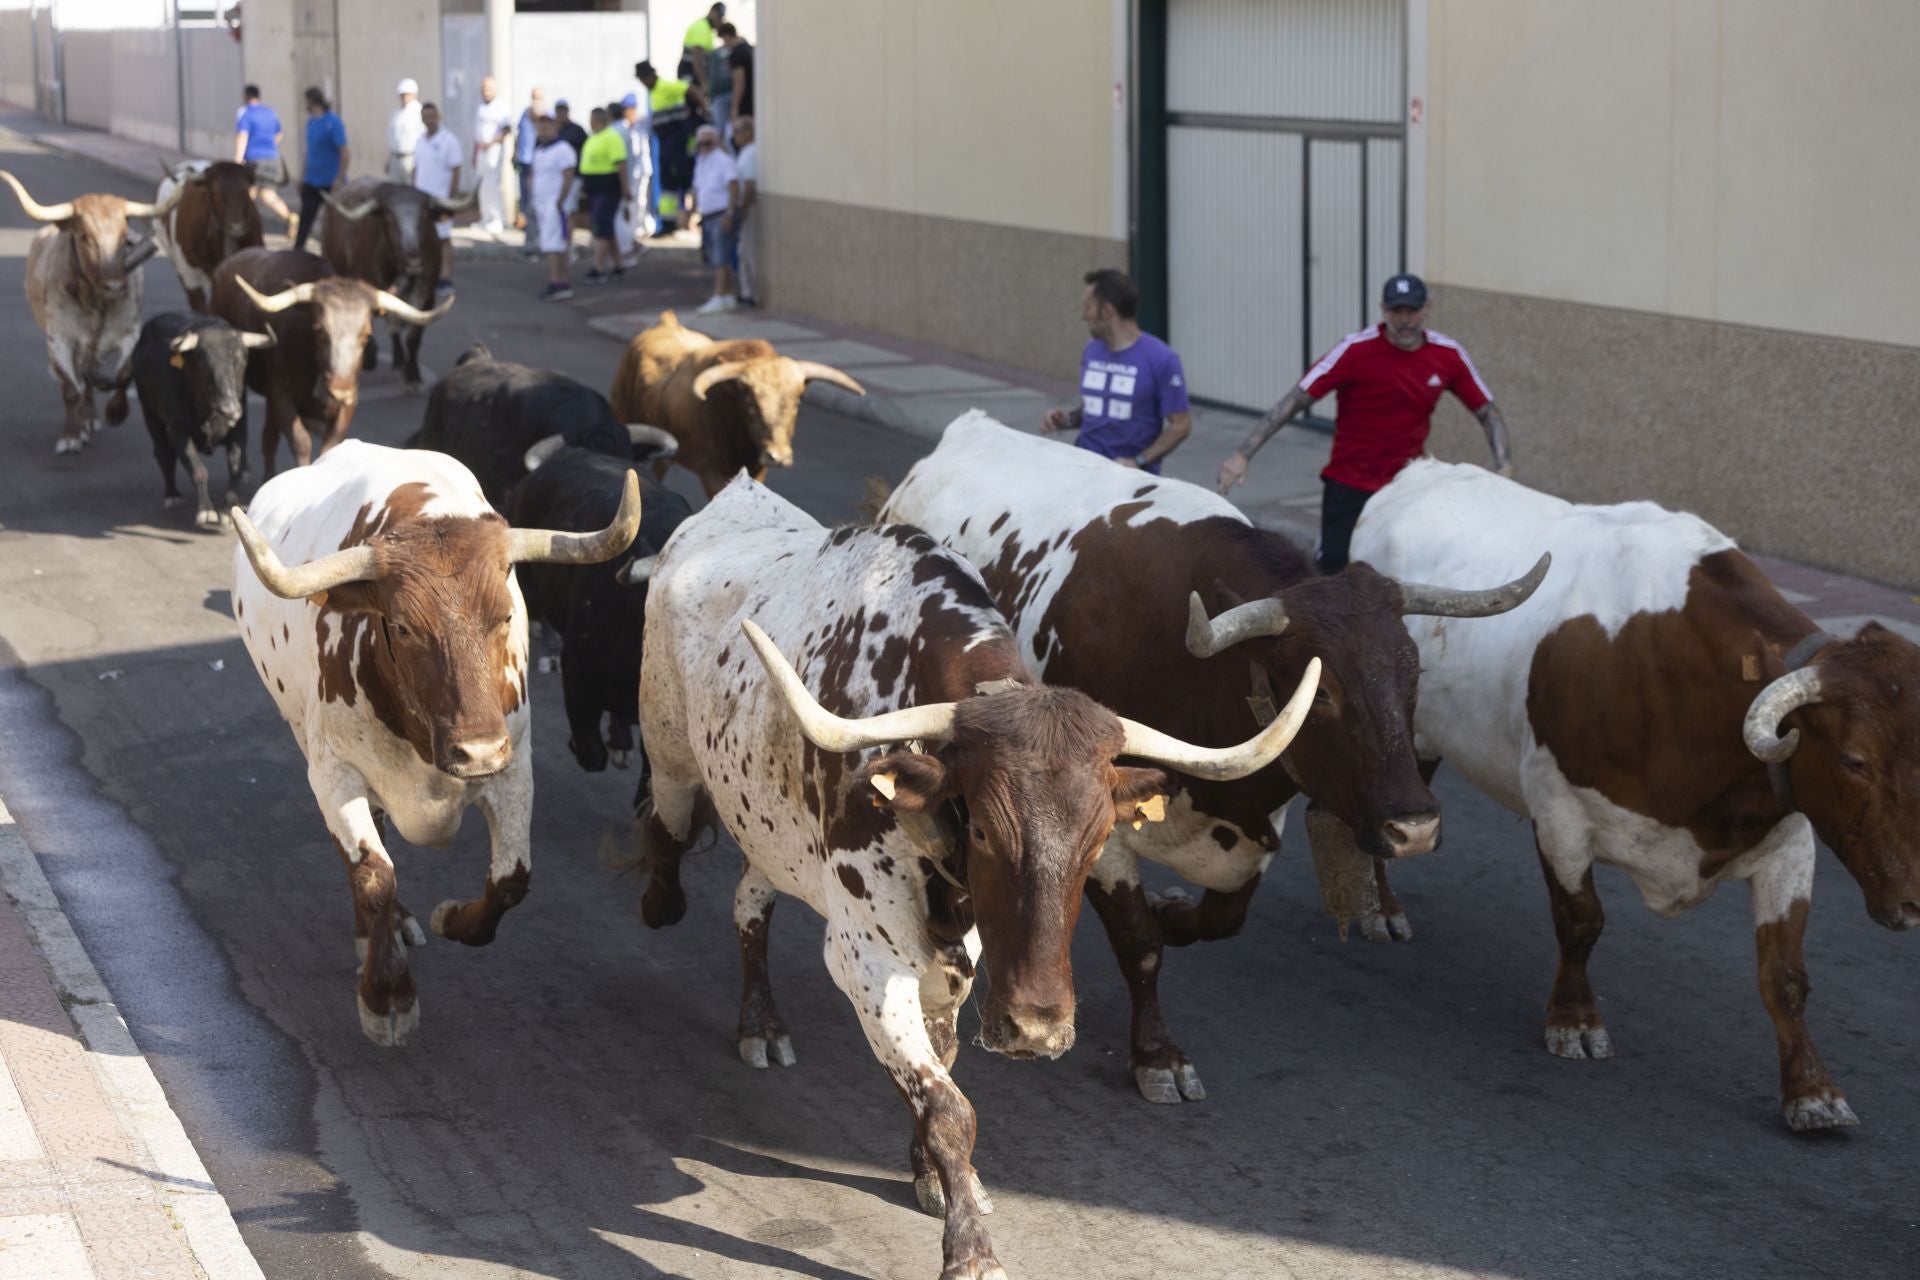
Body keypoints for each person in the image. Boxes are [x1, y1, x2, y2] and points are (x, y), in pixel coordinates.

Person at [1216, 273, 1513, 573]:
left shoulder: (1447, 354)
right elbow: (1294, 401)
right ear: (1383, 309)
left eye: (1413, 310)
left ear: (1428, 308)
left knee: (1398, 572)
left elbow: (1488, 413)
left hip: (1407, 486)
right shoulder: (1354, 350)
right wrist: (1242, 455)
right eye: (1397, 311)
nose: (1405, 320)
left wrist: (1503, 468)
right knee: (1333, 571)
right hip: (1349, 484)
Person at [1041, 269, 1193, 474]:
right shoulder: (1091, 349)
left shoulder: (1162, 359)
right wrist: (1066, 420)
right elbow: (1097, 405)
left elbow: (1181, 426)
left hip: (1132, 483)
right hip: (1084, 469)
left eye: (1088, 307)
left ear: (1107, 311)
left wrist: (1137, 461)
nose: (1083, 316)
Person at [637, 61, 703, 233]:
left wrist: (704, 108)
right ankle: (668, 221)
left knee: (684, 176)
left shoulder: (666, 86)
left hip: (678, 138)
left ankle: (690, 216)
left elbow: (690, 89)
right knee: (668, 181)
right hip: (666, 141)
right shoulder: (654, 92)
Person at [411, 102, 462, 294]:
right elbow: (416, 168)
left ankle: (446, 277)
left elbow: (456, 169)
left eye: (432, 116)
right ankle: (429, 275)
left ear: (438, 117)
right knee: (424, 238)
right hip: (423, 201)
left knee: (443, 238)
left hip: (441, 199)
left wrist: (450, 196)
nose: (429, 120)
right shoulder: (420, 141)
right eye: (425, 116)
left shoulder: (449, 141)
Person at [577, 106, 629, 285]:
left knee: (601, 227)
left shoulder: (612, 137)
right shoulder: (593, 138)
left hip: (608, 188)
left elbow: (621, 165)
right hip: (594, 189)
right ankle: (618, 264)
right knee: (605, 226)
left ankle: (598, 267)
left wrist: (625, 190)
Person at [689, 124, 738, 313]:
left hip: (721, 213)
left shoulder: (723, 161)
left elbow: (733, 185)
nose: (703, 146)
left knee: (720, 257)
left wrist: (730, 212)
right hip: (707, 215)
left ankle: (719, 295)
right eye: (700, 143)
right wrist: (692, 211)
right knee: (713, 255)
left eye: (707, 143)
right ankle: (725, 296)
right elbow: (697, 188)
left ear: (716, 142)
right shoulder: (701, 161)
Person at [529, 113, 577, 302]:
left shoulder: (563, 149)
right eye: (540, 127)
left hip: (555, 206)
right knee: (550, 244)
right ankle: (558, 280)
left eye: (547, 126)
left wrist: (560, 201)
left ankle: (558, 282)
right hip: (542, 205)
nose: (543, 130)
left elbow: (568, 176)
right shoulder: (539, 150)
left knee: (555, 245)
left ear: (555, 127)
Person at [294, 87, 348, 253]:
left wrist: (339, 178)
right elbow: (308, 152)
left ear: (312, 102)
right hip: (312, 180)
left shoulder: (333, 122)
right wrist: (302, 176)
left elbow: (344, 152)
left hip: (330, 182)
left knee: (336, 219)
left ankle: (338, 250)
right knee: (306, 218)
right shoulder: (311, 122)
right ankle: (298, 250)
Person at [232, 84, 292, 230]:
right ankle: (291, 218)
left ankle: (246, 226)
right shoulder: (270, 112)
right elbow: (279, 135)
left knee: (248, 194)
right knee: (268, 195)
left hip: (253, 160)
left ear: (246, 96)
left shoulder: (246, 113)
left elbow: (242, 136)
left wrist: (238, 159)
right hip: (273, 159)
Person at [614, 91, 654, 258]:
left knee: (640, 203)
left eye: (632, 109)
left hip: (642, 170)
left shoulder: (642, 124)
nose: (630, 112)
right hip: (630, 174)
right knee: (629, 205)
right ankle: (630, 238)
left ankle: (636, 232)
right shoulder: (622, 129)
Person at [471, 75, 514, 233]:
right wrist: (475, 151)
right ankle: (486, 217)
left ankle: (497, 218)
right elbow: (477, 131)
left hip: (494, 150)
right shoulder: (481, 105)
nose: (485, 92)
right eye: (483, 89)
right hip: (481, 150)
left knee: (492, 185)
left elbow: (507, 129)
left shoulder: (501, 106)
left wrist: (491, 143)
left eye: (488, 88)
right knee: (483, 186)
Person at [514, 85, 548, 253]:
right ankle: (530, 239)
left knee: (537, 204)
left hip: (539, 169)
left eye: (539, 97)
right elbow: (519, 133)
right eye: (534, 97)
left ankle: (541, 240)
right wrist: (514, 153)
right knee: (527, 202)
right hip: (525, 162)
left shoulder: (547, 117)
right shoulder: (525, 113)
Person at [731, 115, 758, 306]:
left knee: (747, 251)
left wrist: (744, 209)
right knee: (743, 251)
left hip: (749, 209)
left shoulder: (750, 154)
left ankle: (751, 293)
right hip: (746, 208)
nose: (735, 135)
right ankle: (746, 291)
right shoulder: (745, 153)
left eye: (739, 131)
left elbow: (749, 186)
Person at [387, 78, 425, 182]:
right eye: (402, 94)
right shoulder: (396, 113)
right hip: (395, 158)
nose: (404, 97)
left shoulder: (419, 112)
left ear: (414, 94)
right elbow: (392, 137)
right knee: (396, 192)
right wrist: (389, 160)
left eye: (407, 94)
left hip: (411, 159)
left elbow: (424, 138)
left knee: (411, 192)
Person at [682, 3, 725, 91]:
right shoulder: (702, 28)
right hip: (691, 75)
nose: (719, 21)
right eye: (719, 18)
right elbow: (697, 60)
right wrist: (704, 83)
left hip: (693, 75)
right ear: (712, 12)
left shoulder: (708, 30)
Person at [707, 22, 737, 142]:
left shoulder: (738, 50)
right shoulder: (716, 53)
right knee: (721, 130)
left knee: (728, 129)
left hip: (727, 94)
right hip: (719, 95)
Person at [723, 26, 754, 132]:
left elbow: (739, 82)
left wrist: (734, 108)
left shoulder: (737, 54)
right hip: (754, 100)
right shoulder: (749, 49)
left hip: (745, 104)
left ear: (726, 36)